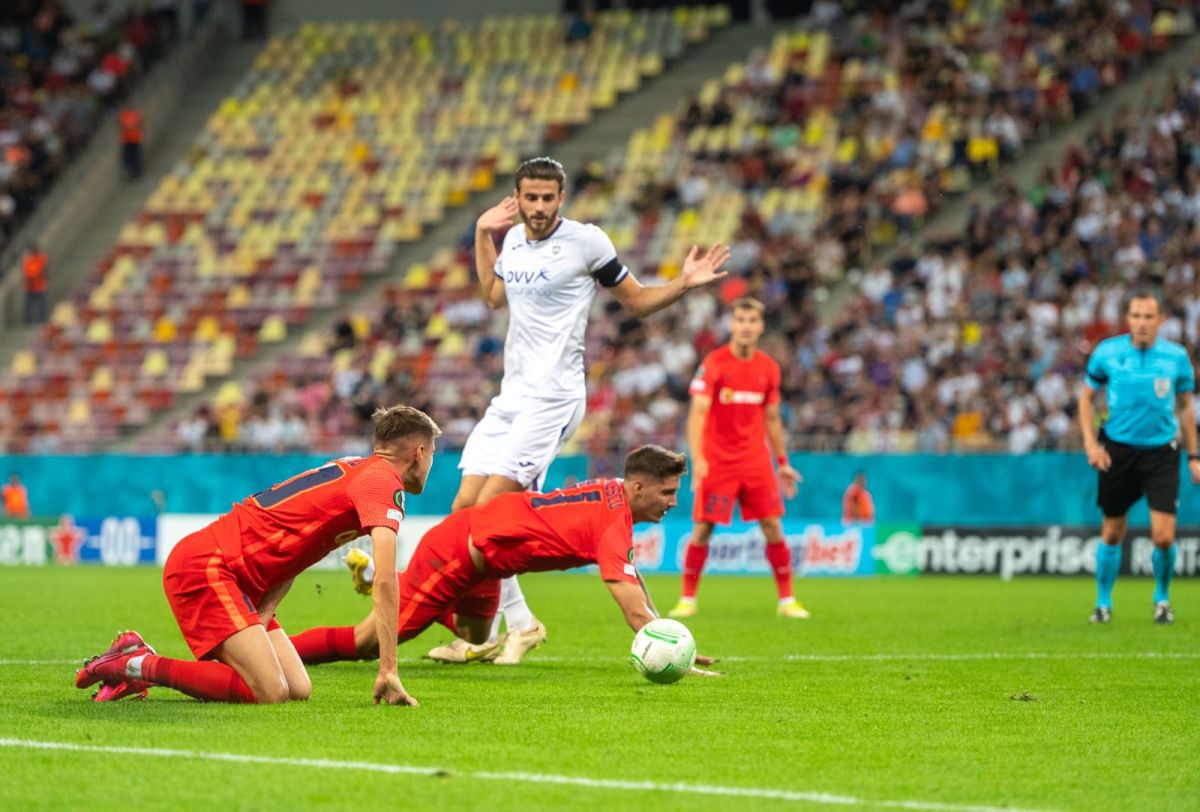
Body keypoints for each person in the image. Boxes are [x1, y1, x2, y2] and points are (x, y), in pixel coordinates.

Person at [349, 156, 730, 666]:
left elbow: (636, 300)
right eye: (530, 197)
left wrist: (683, 284)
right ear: (519, 196)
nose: (539, 207)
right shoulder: (510, 242)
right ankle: (511, 624)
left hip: (554, 396)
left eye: (548, 198)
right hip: (512, 396)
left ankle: (500, 628)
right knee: (465, 512)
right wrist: (484, 236)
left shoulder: (587, 242)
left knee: (489, 516)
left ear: (561, 198)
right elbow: (491, 296)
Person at [290, 445, 720, 703]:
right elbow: (633, 610)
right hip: (459, 553)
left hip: (488, 564)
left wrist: (667, 629)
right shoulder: (613, 525)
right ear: (639, 488)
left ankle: (400, 585)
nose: (673, 502)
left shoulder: (613, 493)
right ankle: (280, 652)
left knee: (477, 637)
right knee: (369, 642)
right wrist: (671, 648)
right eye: (668, 492)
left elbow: (632, 577)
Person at [73, 405, 440, 705]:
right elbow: (386, 580)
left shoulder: (358, 469)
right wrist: (388, 668)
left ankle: (137, 658)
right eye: (432, 455)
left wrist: (263, 614)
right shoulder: (382, 484)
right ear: (419, 453)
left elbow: (298, 552)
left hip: (240, 578)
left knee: (298, 688)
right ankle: (134, 664)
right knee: (269, 691)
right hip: (209, 566)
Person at [668, 297, 808, 619]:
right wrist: (698, 459)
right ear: (732, 324)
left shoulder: (769, 368)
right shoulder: (714, 363)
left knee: (772, 526)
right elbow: (698, 413)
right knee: (703, 528)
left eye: (752, 320)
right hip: (719, 461)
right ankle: (687, 599)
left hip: (756, 461)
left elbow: (772, 419)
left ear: (760, 326)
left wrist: (783, 462)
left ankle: (787, 600)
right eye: (740, 319)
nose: (745, 326)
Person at [1078, 290, 1200, 625]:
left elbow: (1186, 406)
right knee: (1113, 532)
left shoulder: (1176, 358)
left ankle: (1162, 599)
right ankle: (1103, 604)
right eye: (1136, 316)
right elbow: (1086, 399)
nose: (1142, 323)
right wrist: (1091, 444)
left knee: (1163, 536)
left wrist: (1194, 455)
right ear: (1127, 319)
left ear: (1161, 320)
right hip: (1117, 452)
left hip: (1161, 452)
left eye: (1149, 316)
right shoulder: (1108, 353)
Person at [22, 244, 48, 325]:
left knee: (41, 304)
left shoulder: (41, 258)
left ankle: (41, 319)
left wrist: (34, 279)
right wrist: (29, 281)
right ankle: (28, 320)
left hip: (39, 285)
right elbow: (26, 273)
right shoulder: (28, 260)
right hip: (29, 286)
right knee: (28, 305)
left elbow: (42, 271)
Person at [118, 104, 144, 180]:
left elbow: (138, 124)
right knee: (129, 157)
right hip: (128, 140)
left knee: (134, 157)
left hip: (133, 139)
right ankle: (132, 171)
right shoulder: (125, 115)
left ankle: (135, 171)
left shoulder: (133, 115)